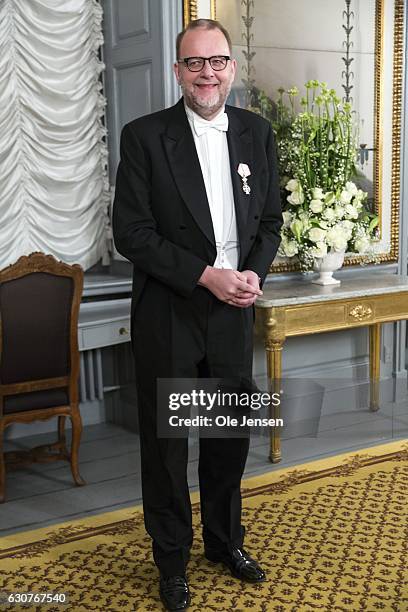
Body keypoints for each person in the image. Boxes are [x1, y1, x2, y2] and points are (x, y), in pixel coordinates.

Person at [113, 18, 282, 611]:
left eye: (217, 61)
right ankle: (172, 562)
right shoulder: (144, 136)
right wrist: (204, 274)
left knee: (228, 436)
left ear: (231, 67)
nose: (207, 73)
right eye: (194, 63)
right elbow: (130, 233)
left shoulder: (258, 134)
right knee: (167, 446)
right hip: (171, 309)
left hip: (233, 309)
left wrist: (252, 274)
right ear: (179, 70)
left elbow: (268, 222)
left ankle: (223, 542)